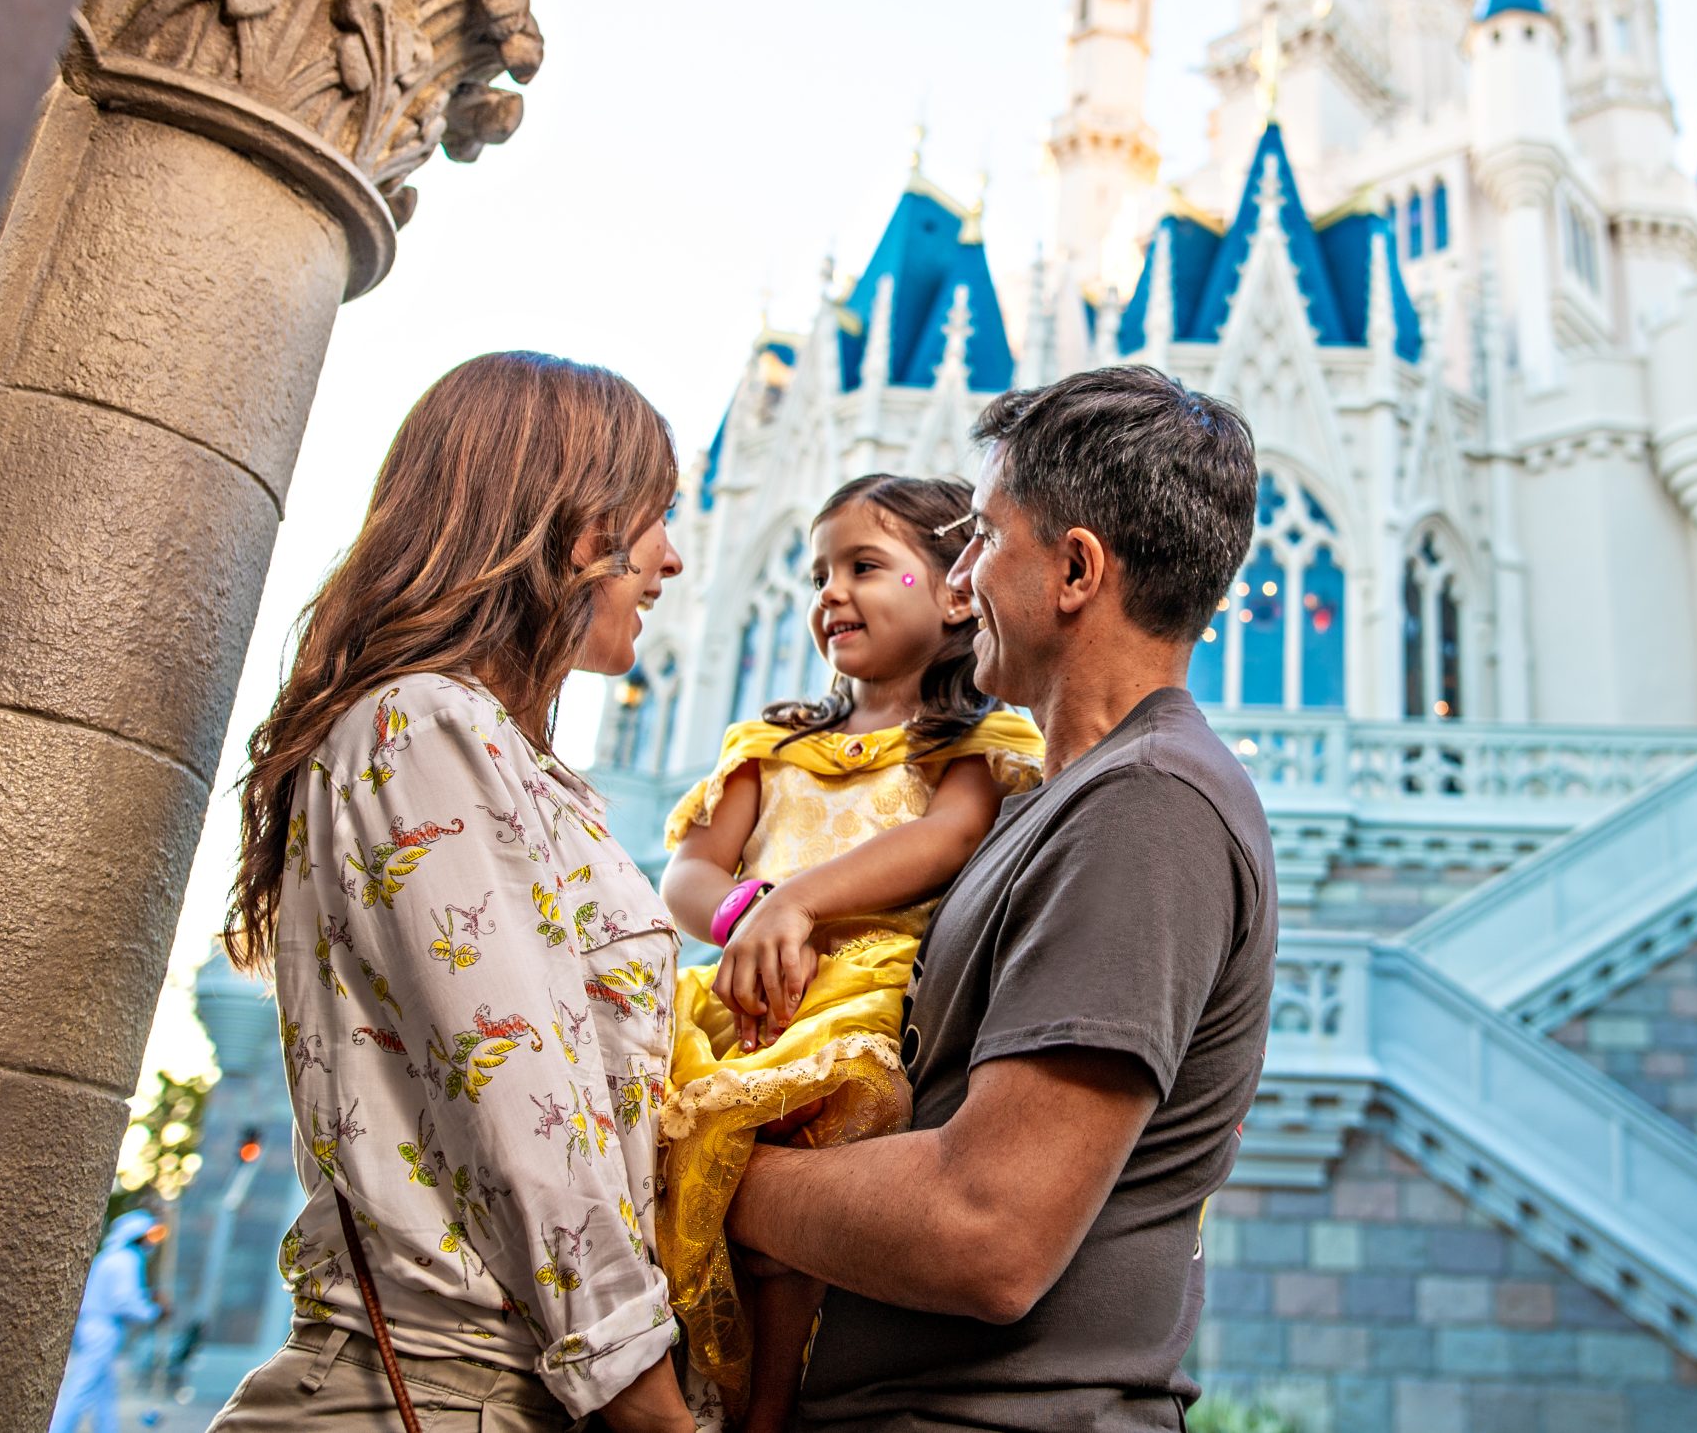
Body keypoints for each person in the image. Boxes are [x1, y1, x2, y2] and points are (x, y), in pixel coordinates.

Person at [729, 364, 1279, 1430]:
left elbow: (986, 1233)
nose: (959, 577)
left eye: (981, 537)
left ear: (1075, 569)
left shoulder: (1146, 809)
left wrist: (694, 1167)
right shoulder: (1045, 804)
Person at [206, 352, 694, 1433]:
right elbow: (526, 1111)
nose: (669, 559)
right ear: (573, 525)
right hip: (440, 1390)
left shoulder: (507, 760)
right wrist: (657, 1412)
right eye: (653, 516)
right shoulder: (421, 724)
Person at [655, 473, 1044, 1433]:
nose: (830, 591)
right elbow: (688, 872)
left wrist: (800, 902)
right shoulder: (773, 745)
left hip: (859, 997)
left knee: (802, 1179)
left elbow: (946, 840)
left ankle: (770, 1405)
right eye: (819, 571)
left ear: (957, 591)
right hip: (739, 999)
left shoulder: (972, 744)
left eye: (865, 566)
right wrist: (751, 912)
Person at [48, 1210, 166, 1433]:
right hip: (103, 1329)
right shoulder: (126, 1259)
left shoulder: (110, 1257)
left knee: (103, 1393)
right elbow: (124, 1301)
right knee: (82, 1388)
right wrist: (154, 1312)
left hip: (95, 1325)